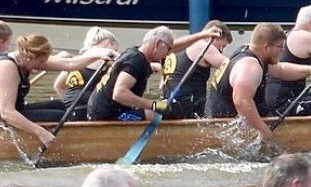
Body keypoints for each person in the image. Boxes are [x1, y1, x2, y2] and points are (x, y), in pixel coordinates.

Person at [0, 35, 112, 149]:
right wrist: (40, 132)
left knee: (64, 106)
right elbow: (7, 112)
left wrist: (99, 55)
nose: (42, 66)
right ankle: (73, 148)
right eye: (41, 62)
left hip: (14, 112)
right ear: (29, 57)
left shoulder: (28, 60)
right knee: (62, 116)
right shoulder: (6, 67)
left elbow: (70, 65)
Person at [204, 22, 311, 145]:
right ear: (266, 47)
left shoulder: (249, 51)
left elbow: (281, 70)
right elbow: (241, 101)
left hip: (229, 121)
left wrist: (309, 70)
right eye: (280, 47)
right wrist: (263, 129)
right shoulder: (250, 67)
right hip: (225, 128)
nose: (282, 51)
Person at [86, 25, 217, 122]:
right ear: (157, 44)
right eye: (168, 49)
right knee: (166, 113)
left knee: (169, 108)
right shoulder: (135, 61)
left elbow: (175, 46)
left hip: (106, 109)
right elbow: (119, 94)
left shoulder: (138, 53)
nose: (169, 53)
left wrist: (202, 35)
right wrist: (154, 105)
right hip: (107, 115)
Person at [158, 20, 233, 118]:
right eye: (222, 46)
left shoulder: (179, 47)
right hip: (189, 106)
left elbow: (161, 85)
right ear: (211, 36)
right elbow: (233, 68)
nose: (221, 50)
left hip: (169, 103)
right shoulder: (203, 46)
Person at [53, 27, 118, 115]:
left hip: (69, 107)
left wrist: (70, 102)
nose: (115, 51)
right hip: (87, 108)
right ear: (108, 43)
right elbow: (124, 63)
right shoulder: (105, 54)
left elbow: (58, 86)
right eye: (115, 49)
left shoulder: (76, 60)